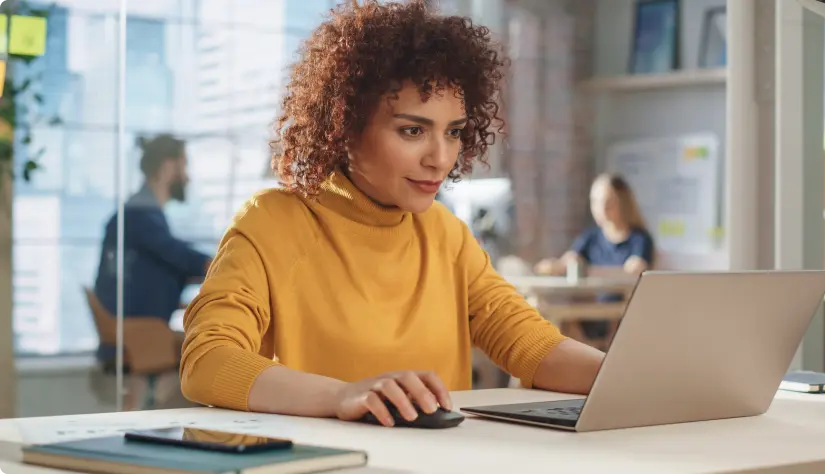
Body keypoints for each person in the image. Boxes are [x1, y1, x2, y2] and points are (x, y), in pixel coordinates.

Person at [180, 0, 605, 427]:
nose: (440, 158)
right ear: (343, 126)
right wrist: (343, 395)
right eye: (412, 131)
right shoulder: (271, 223)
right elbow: (207, 360)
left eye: (453, 132)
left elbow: (532, 345)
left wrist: (635, 378)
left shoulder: (445, 234)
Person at [94, 134, 211, 366]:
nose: (187, 177)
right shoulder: (141, 217)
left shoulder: (135, 213)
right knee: (212, 354)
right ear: (168, 165)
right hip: (136, 331)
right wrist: (221, 264)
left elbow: (164, 259)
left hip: (130, 325)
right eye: (184, 164)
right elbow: (176, 254)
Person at [534, 173, 655, 339]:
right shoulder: (591, 237)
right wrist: (555, 265)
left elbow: (636, 269)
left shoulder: (639, 239)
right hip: (588, 309)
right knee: (549, 313)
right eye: (596, 202)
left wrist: (589, 271)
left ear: (622, 202)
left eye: (608, 202)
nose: (601, 208)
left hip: (622, 315)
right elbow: (567, 261)